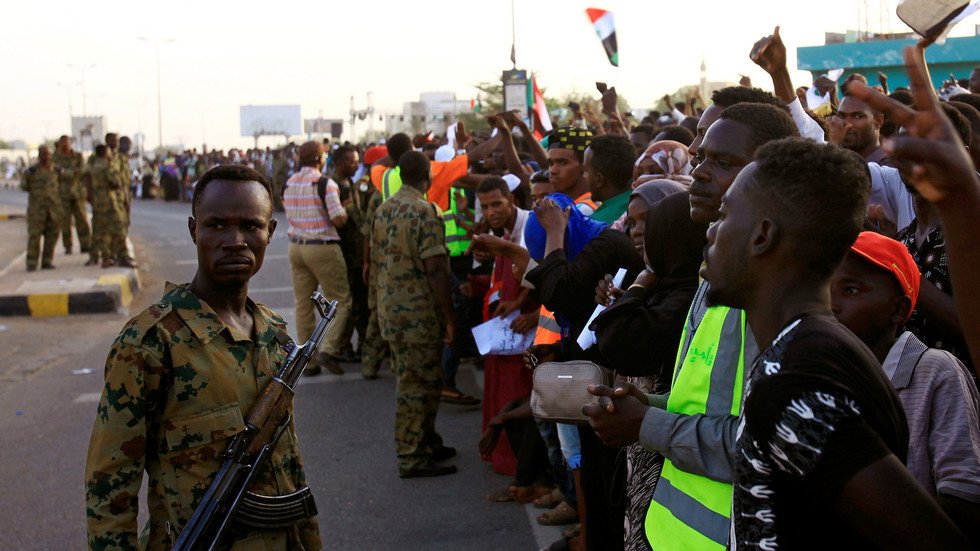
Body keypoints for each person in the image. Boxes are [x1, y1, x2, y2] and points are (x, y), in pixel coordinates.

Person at [697, 137, 966, 549]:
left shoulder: (796, 380)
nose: (712, 230)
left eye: (724, 214)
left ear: (762, 236)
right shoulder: (810, 349)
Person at [583, 102, 798, 551]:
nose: (698, 173)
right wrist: (651, 403)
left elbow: (764, 448)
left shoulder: (775, 295)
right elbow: (705, 404)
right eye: (699, 158)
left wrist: (646, 424)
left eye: (722, 163)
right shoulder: (714, 274)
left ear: (772, 175)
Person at [84, 164, 322, 550]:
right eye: (216, 225)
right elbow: (109, 486)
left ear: (270, 232)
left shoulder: (273, 333)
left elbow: (287, 464)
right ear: (194, 230)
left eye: (250, 226)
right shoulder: (149, 342)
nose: (235, 240)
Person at [831, 231, 980, 544]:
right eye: (824, 289)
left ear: (898, 310)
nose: (831, 305)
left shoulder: (936, 372)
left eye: (851, 290)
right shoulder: (827, 378)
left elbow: (965, 499)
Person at [849, 45, 980, 380]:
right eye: (907, 148)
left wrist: (899, 264)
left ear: (962, 155)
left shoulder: (968, 237)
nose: (912, 161)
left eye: (927, 147)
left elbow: (968, 330)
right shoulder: (903, 237)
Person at [592, 191, 707, 551]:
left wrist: (642, 281)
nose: (637, 232)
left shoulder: (682, 297)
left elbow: (617, 340)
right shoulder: (674, 291)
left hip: (669, 443)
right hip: (660, 432)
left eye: (649, 225)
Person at [371, 151, 458, 478]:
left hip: (391, 311)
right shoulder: (425, 211)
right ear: (428, 175)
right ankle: (412, 456)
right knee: (416, 387)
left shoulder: (384, 209)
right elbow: (436, 269)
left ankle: (426, 441)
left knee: (425, 381)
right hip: (418, 314)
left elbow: (376, 261)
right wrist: (450, 316)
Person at [473, 177, 535, 476]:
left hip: (527, 323)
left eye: (497, 204)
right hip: (505, 326)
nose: (491, 212)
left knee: (518, 392)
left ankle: (522, 470)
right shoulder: (500, 230)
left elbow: (539, 268)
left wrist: (521, 300)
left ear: (511, 200)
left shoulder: (530, 225)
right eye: (485, 207)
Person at [282, 141, 353, 376]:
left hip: (296, 247)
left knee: (303, 304)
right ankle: (328, 349)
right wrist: (346, 207)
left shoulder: (288, 184)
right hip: (322, 247)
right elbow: (338, 219)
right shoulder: (325, 184)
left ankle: (307, 362)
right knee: (340, 299)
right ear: (319, 159)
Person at [331, 145, 369, 362]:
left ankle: (351, 345)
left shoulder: (349, 182)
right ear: (340, 163)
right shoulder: (334, 186)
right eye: (353, 161)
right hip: (346, 253)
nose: (357, 165)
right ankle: (342, 346)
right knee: (350, 302)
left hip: (355, 252)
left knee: (358, 301)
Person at [21, 145, 62, 271]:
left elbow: (61, 184)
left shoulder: (56, 170)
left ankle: (47, 261)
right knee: (34, 236)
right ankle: (32, 262)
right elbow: (24, 186)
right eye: (43, 154)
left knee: (52, 235)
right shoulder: (31, 172)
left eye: (48, 154)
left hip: (53, 209)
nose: (46, 156)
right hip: (37, 210)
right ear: (39, 156)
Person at [583, 134, 637, 223]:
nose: (584, 176)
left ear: (599, 179)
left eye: (586, 171)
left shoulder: (596, 224)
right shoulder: (644, 203)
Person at [53, 135, 90, 256]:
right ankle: (68, 246)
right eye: (62, 143)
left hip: (78, 194)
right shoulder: (55, 157)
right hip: (62, 195)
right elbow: (54, 173)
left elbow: (81, 172)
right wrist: (70, 172)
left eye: (66, 143)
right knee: (65, 222)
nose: (64, 145)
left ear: (70, 143)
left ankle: (86, 245)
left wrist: (64, 172)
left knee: (82, 220)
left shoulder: (78, 156)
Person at [547, 126, 598, 215]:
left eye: (563, 163)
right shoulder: (559, 206)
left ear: (585, 165)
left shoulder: (588, 211)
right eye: (551, 164)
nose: (553, 170)